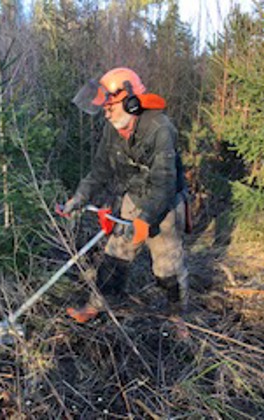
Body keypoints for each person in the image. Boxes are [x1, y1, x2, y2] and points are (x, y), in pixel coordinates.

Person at [63, 67, 191, 323]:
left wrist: (146, 218)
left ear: (132, 103)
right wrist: (79, 197)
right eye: (104, 106)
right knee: (115, 256)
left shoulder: (160, 128)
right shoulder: (112, 130)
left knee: (167, 269)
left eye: (110, 105)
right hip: (134, 196)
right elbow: (100, 169)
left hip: (164, 203)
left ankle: (178, 317)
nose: (106, 112)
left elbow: (164, 182)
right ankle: (97, 305)